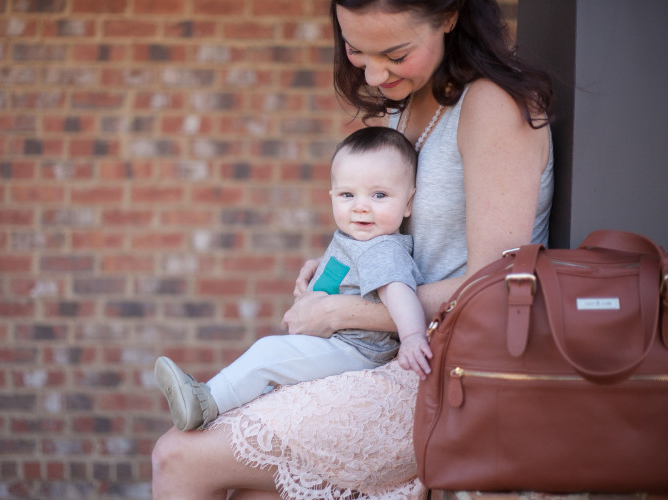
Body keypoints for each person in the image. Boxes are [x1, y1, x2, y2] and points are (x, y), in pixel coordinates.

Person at [152, 0, 554, 498]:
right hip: (386, 357)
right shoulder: (409, 103)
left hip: (441, 373)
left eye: (395, 53)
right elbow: (405, 244)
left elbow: (493, 288)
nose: (374, 71)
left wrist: (343, 312)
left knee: (179, 457)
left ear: (450, 16)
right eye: (356, 49)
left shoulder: (492, 105)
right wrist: (341, 265)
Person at [154, 126, 432, 432]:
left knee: (267, 354)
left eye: (379, 194)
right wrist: (321, 265)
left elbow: (399, 291)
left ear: (408, 203)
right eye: (347, 194)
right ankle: (227, 405)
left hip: (357, 351)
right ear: (332, 196)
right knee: (272, 373)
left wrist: (412, 337)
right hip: (335, 342)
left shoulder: (381, 248)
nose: (361, 205)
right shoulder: (358, 239)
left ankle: (205, 402)